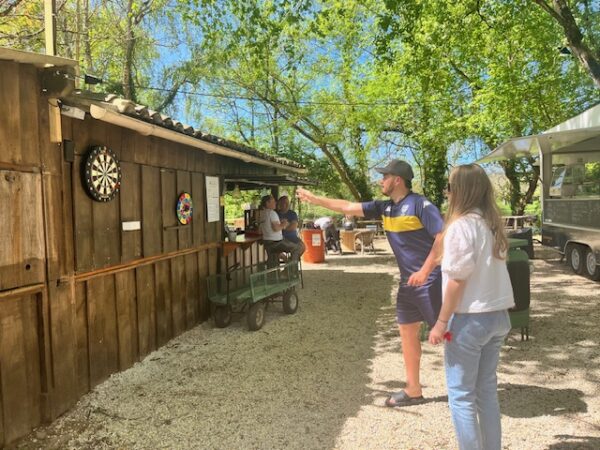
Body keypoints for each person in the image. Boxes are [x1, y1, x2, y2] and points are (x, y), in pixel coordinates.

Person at [297, 159, 444, 406]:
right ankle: (413, 390)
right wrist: (315, 199)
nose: (380, 180)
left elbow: (442, 236)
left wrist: (425, 270)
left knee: (449, 336)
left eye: (384, 176)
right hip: (407, 284)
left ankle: (469, 389)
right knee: (407, 333)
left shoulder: (421, 204)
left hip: (429, 282)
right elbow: (347, 206)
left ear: (398, 180)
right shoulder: (384, 207)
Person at [428, 164, 514, 450]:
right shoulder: (492, 226)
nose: (447, 193)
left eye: (449, 187)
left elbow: (457, 280)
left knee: (461, 395)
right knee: (486, 392)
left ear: (459, 192)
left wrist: (441, 322)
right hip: (498, 317)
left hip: (469, 320)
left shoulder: (461, 227)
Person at [260, 194, 304, 267]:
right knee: (296, 248)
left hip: (269, 242)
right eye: (273, 201)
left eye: (287, 203)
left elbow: (293, 227)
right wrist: (284, 224)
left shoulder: (262, 213)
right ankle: (290, 270)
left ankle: (287, 266)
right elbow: (276, 228)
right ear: (267, 203)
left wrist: (281, 225)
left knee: (301, 247)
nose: (275, 203)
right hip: (276, 242)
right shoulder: (272, 213)